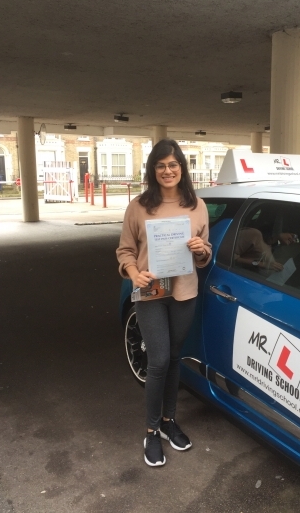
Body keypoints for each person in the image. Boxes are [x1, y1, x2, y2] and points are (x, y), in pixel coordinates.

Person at [116, 139, 212, 468]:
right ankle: (151, 430)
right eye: (160, 165)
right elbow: (125, 250)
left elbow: (204, 254)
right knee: (157, 360)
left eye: (173, 165)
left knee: (174, 357)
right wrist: (133, 274)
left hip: (184, 292)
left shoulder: (196, 205)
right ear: (153, 170)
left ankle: (170, 421)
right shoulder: (139, 206)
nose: (167, 171)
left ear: (182, 168)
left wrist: (201, 248)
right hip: (151, 293)